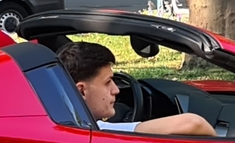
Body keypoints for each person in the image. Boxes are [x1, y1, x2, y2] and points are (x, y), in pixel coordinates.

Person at [58, 41, 216, 137]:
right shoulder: (97, 131)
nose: (116, 90)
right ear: (81, 91)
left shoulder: (59, 124)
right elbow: (193, 123)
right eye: (107, 82)